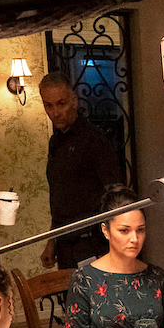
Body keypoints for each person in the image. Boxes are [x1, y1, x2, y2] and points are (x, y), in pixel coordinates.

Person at [59, 184, 164, 328]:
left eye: (140, 230)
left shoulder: (156, 276)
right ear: (106, 231)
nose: (134, 239)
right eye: (124, 230)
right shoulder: (85, 278)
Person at [37, 74, 123, 270]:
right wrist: (51, 242)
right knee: (72, 301)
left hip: (94, 242)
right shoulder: (55, 142)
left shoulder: (94, 140)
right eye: (48, 105)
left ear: (74, 101)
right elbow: (59, 197)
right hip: (65, 244)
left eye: (61, 104)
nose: (55, 112)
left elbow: (117, 193)